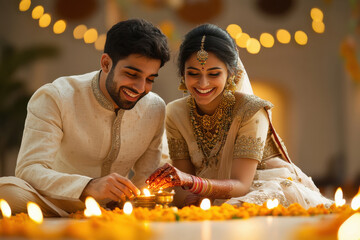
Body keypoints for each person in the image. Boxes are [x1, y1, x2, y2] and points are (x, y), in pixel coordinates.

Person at [146, 24, 332, 208]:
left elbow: (241, 185)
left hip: (259, 188)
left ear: (231, 73)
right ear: (182, 75)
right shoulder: (175, 112)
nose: (203, 83)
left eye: (214, 74)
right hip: (208, 194)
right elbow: (182, 187)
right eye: (193, 73)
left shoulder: (250, 110)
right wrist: (191, 200)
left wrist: (193, 184)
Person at [0, 19, 170, 216]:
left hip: (114, 210)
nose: (141, 88)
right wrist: (88, 186)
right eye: (132, 74)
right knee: (5, 192)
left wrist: (136, 205)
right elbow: (29, 169)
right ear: (106, 63)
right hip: (54, 203)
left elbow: (146, 176)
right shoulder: (56, 97)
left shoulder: (155, 107)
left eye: (150, 79)